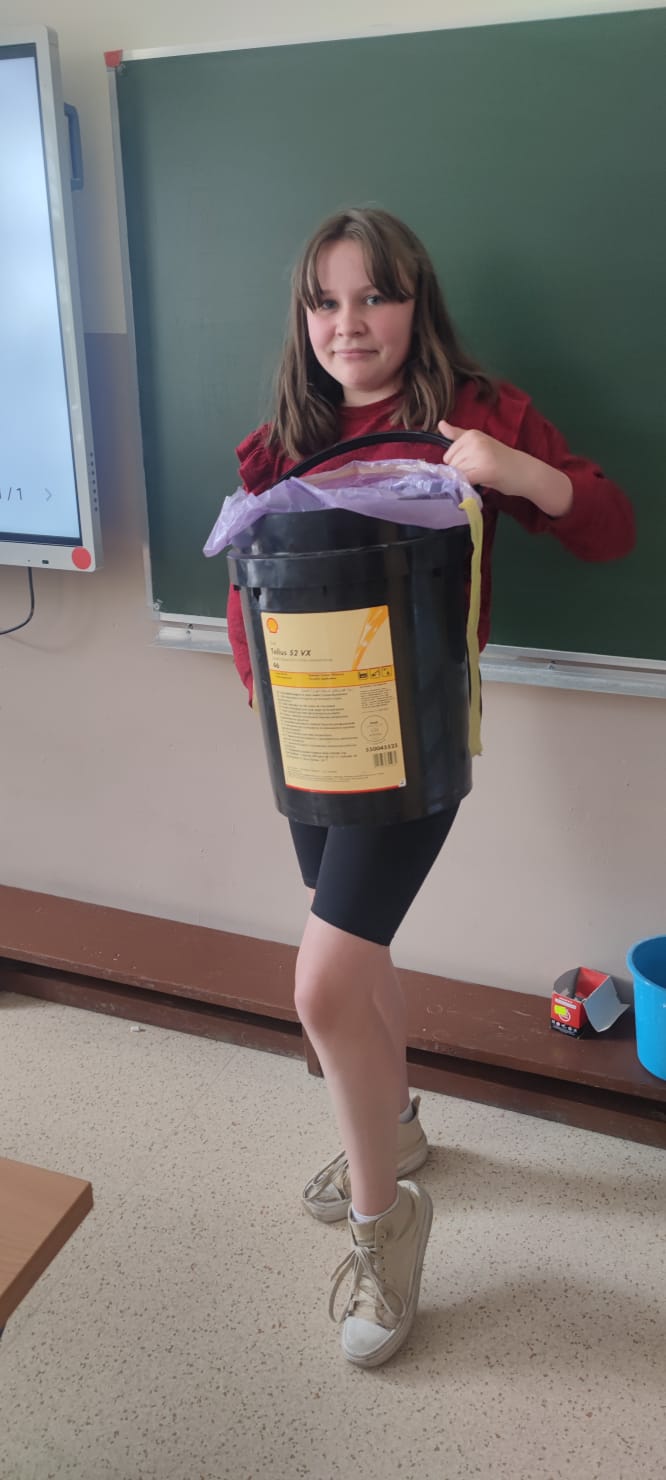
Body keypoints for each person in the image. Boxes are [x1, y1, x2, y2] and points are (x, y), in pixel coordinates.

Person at [226, 207, 635, 1369]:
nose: (349, 324)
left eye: (376, 296)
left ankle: (386, 1222)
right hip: (309, 745)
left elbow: (608, 528)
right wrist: (257, 681)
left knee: (322, 986)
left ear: (417, 303)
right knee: (361, 962)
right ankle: (397, 1131)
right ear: (303, 317)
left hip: (412, 742)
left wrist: (519, 473)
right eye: (326, 301)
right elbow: (248, 583)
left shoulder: (473, 413)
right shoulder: (281, 440)